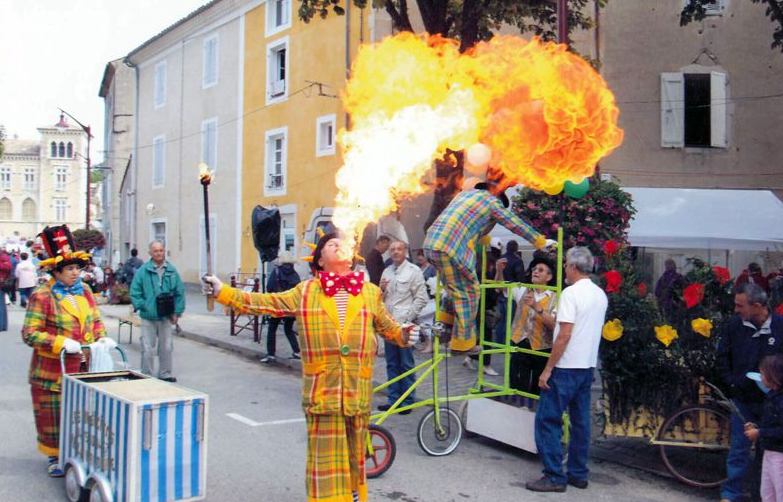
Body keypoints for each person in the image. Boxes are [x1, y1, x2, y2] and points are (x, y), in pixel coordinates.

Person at [202, 232, 417, 502]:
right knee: (325, 468)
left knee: (353, 462)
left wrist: (407, 334)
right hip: (323, 395)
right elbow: (265, 303)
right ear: (319, 259)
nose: (339, 246)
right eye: (331, 244)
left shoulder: (370, 292)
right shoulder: (306, 291)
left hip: (356, 395)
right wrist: (223, 292)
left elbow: (389, 328)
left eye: (343, 243)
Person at [21, 225, 115, 477]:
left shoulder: (84, 290)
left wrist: (102, 338)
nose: (75, 273)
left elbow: (95, 320)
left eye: (78, 268)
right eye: (70, 269)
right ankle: (54, 455)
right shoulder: (42, 295)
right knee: (54, 416)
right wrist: (60, 342)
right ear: (57, 271)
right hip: (52, 371)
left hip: (83, 367)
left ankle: (77, 453)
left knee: (80, 415)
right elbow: (29, 333)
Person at [423, 178, 554, 354]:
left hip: (431, 244)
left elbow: (467, 225)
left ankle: (445, 325)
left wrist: (489, 240)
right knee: (470, 292)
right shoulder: (492, 202)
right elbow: (514, 224)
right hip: (450, 247)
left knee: (454, 288)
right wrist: (540, 241)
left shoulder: (463, 196)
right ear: (497, 194)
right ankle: (463, 343)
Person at [526, 247, 607, 493]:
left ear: (572, 267)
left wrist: (548, 368)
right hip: (586, 365)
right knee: (581, 422)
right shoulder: (600, 294)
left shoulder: (570, 294)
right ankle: (578, 473)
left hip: (566, 366)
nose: (564, 269)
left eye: (565, 265)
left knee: (548, 420)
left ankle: (554, 476)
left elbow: (564, 335)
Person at [718, 282, 783, 502]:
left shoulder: (781, 327)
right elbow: (722, 356)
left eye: (740, 305)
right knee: (738, 448)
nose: (736, 310)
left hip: (772, 403)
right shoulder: (735, 325)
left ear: (757, 306)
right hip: (742, 400)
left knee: (767, 454)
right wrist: (731, 383)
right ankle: (731, 494)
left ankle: (760, 496)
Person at [378, 240, 428, 414]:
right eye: (392, 250)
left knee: (406, 363)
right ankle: (393, 399)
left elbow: (422, 298)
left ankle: (407, 401)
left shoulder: (413, 271)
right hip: (389, 326)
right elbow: (381, 300)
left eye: (399, 249)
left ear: (405, 251)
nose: (395, 252)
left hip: (405, 327)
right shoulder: (387, 271)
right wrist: (381, 290)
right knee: (391, 363)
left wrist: (408, 318)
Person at [130, 241, 186, 382]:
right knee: (148, 347)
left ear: (164, 251)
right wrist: (143, 305)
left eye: (161, 250)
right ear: (150, 253)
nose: (159, 253)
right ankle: (146, 374)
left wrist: (177, 312)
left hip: (166, 316)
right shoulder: (143, 271)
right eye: (155, 251)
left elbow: (180, 293)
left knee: (166, 347)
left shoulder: (172, 271)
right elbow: (135, 292)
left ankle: (165, 374)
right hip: (149, 316)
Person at [502, 254, 557, 396]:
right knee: (517, 386)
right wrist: (498, 271)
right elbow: (500, 288)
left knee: (538, 390)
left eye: (541, 270)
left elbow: (554, 325)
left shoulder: (556, 297)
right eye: (534, 269)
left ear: (549, 277)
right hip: (519, 344)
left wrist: (536, 306)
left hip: (542, 348)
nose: (536, 272)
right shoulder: (522, 290)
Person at [744, 353, 783, 502]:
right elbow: (773, 423)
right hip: (769, 452)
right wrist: (756, 427)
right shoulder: (772, 396)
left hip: (780, 455)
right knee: (767, 492)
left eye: (762, 374)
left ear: (774, 376)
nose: (760, 378)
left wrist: (760, 432)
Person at [261, 251, 302, 363]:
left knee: (272, 329)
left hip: (278, 305)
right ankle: (297, 351)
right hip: (290, 306)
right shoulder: (295, 274)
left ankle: (271, 354)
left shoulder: (277, 271)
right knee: (288, 329)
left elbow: (269, 287)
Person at [0, 249, 9, 330]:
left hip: (1, 284)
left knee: (1, 306)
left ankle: (2, 325)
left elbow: (8, 267)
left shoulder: (3, 256)